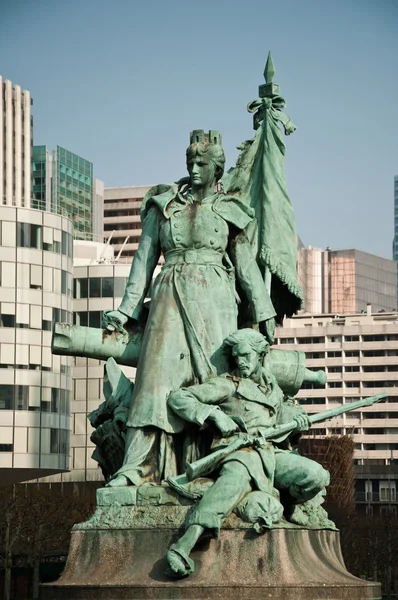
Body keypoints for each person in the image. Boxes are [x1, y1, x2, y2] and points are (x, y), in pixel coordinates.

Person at [103, 130, 276, 487]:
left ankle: (214, 469)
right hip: (169, 296)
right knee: (154, 382)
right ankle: (136, 468)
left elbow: (245, 266)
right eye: (190, 162)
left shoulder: (231, 210)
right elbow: (144, 259)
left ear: (217, 169)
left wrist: (264, 311)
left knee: (214, 383)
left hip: (217, 302)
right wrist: (125, 309)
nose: (195, 169)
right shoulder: (164, 205)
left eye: (202, 164)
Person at [165, 328, 330, 577]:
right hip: (239, 451)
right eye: (236, 357)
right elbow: (179, 397)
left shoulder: (274, 389)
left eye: (245, 356)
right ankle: (186, 542)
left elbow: (280, 428)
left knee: (316, 475)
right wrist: (215, 414)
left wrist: (298, 425)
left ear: (260, 354)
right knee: (232, 483)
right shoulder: (228, 385)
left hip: (270, 453)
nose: (240, 361)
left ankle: (288, 504)